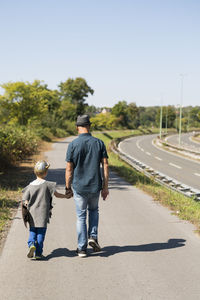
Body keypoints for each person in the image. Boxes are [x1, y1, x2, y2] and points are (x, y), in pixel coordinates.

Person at [65, 115, 109, 257]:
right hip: (95, 185)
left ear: (77, 127)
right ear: (89, 126)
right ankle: (93, 236)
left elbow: (69, 169)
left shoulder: (73, 145)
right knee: (94, 211)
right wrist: (105, 187)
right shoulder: (99, 143)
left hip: (79, 187)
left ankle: (82, 249)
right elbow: (105, 166)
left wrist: (67, 187)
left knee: (81, 216)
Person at [22, 160, 69, 260]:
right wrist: (66, 196)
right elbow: (56, 194)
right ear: (46, 172)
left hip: (32, 215)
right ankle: (38, 253)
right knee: (41, 234)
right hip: (43, 214)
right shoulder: (48, 185)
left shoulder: (30, 186)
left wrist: (27, 203)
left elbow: (25, 200)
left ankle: (31, 245)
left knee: (32, 231)